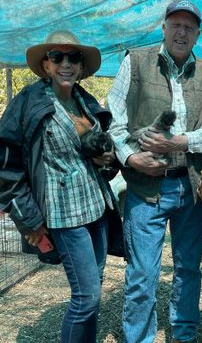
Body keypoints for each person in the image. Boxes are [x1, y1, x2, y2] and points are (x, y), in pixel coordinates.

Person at [107, 0, 202, 342]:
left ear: (198, 35)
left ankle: (183, 334)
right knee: (142, 273)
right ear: (163, 28)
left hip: (190, 187)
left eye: (189, 27)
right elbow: (113, 120)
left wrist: (180, 142)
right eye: (176, 25)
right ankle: (139, 337)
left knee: (188, 268)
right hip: (146, 188)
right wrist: (132, 159)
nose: (181, 32)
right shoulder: (136, 62)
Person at [0, 30, 119, 343]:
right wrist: (29, 219)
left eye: (73, 57)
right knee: (87, 296)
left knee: (95, 287)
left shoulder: (85, 101)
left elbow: (105, 154)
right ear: (46, 65)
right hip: (64, 215)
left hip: (97, 207)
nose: (66, 63)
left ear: (80, 66)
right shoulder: (29, 102)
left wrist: (108, 158)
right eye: (57, 56)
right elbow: (6, 167)